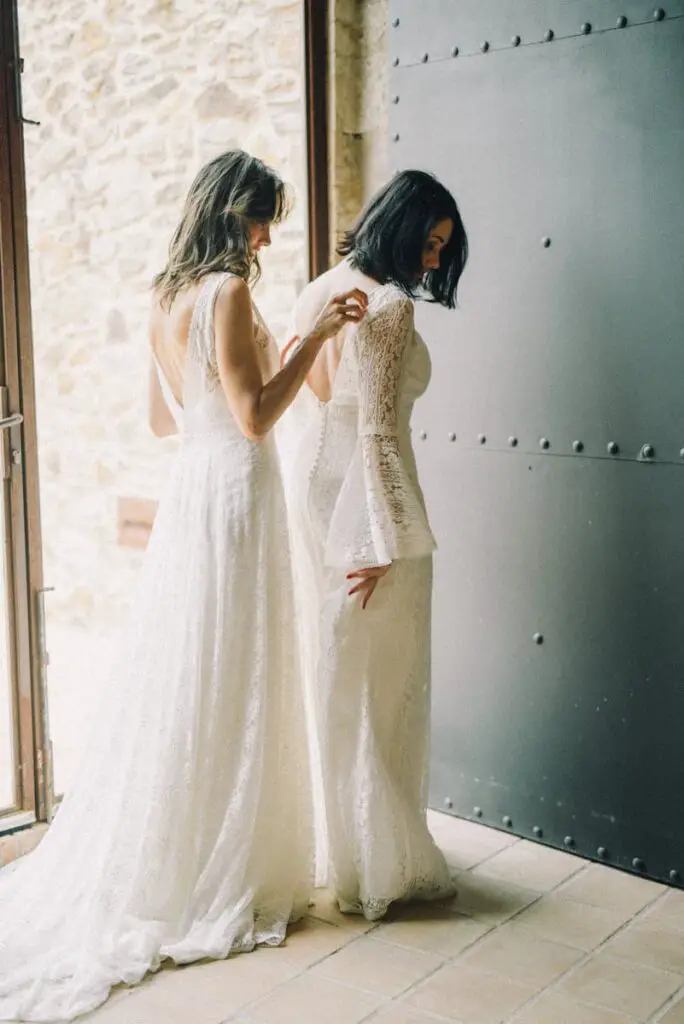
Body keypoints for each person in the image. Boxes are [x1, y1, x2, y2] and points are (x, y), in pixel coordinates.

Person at [0, 150, 367, 1022]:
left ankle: (187, 839)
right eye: (263, 219)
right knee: (232, 667)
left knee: (193, 669)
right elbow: (255, 417)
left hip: (192, 493)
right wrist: (312, 339)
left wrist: (229, 384)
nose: (269, 237)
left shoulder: (164, 297)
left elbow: (165, 417)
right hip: (236, 489)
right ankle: (217, 861)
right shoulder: (229, 294)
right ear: (232, 214)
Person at [281, 169, 468, 920]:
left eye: (442, 248)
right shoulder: (387, 308)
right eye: (428, 241)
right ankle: (377, 861)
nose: (431, 260)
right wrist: (384, 539)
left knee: (334, 669)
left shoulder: (321, 286)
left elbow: (313, 391)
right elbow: (380, 432)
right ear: (399, 224)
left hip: (316, 475)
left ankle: (342, 849)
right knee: (382, 681)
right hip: (369, 494)